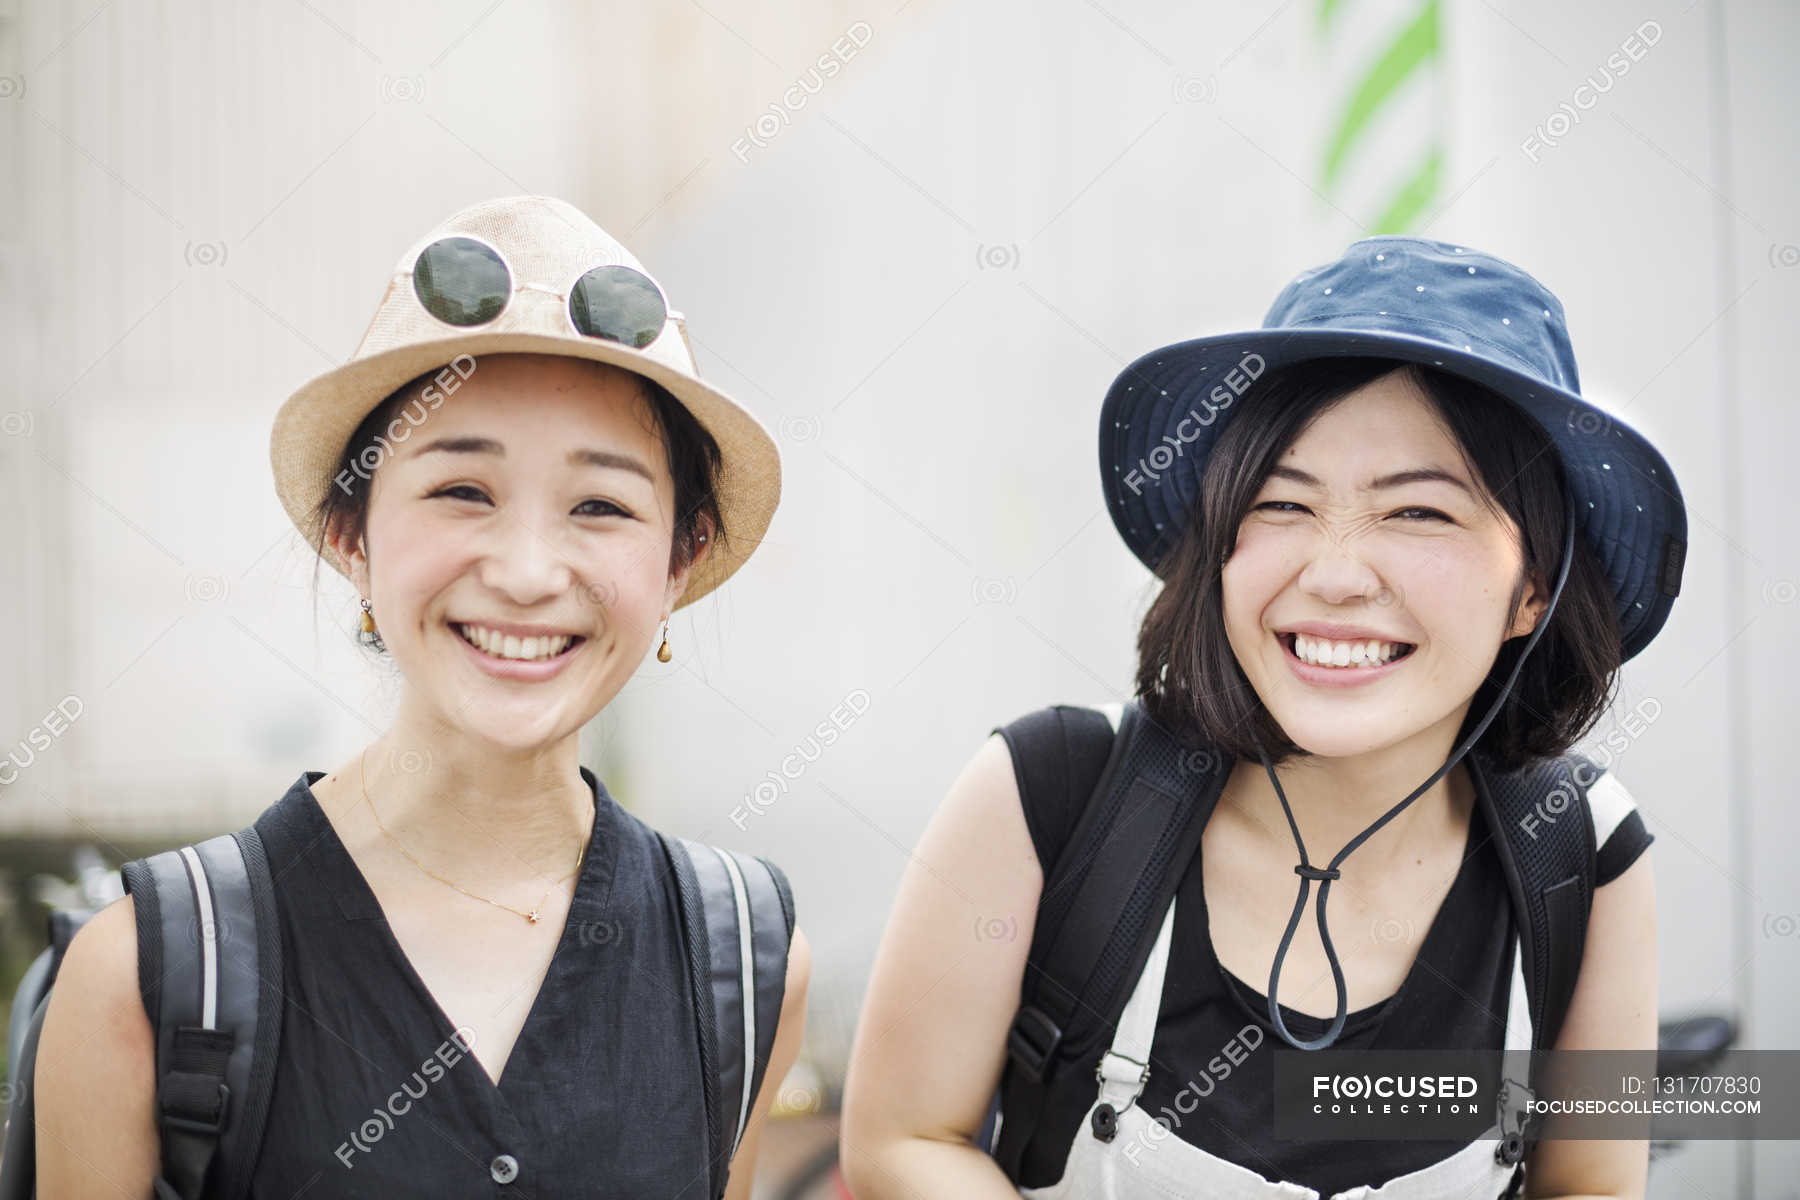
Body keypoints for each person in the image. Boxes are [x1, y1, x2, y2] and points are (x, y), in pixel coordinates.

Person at [840, 236, 1682, 1198]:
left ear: (1532, 587)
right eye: (1282, 502)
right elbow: (903, 1141)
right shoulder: (1048, 793)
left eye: (1418, 514)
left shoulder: (1582, 849)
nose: (1332, 575)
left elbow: (1591, 1185)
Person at [33, 195, 809, 1197]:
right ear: (350, 533)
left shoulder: (740, 965)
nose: (529, 572)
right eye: (461, 491)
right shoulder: (149, 977)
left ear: (679, 562)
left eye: (601, 506)